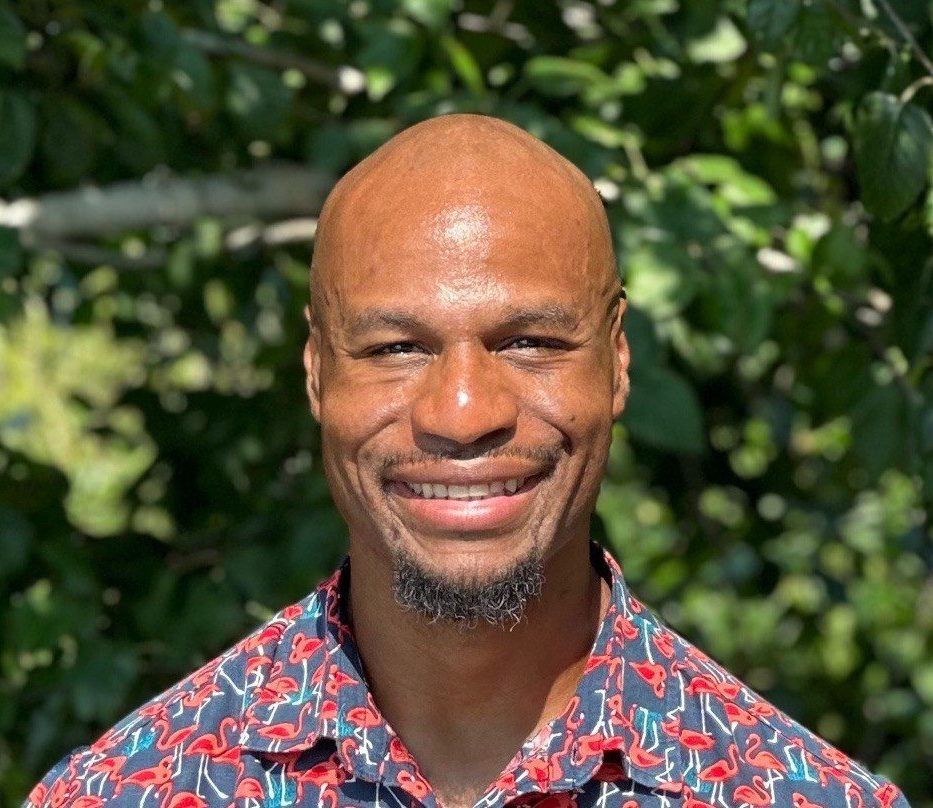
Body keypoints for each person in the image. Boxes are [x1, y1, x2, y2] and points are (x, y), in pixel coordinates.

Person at [25, 113, 909, 808]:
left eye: (528, 342)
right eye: (396, 348)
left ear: (617, 364)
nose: (463, 413)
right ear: (315, 373)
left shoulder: (794, 795)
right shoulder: (130, 791)